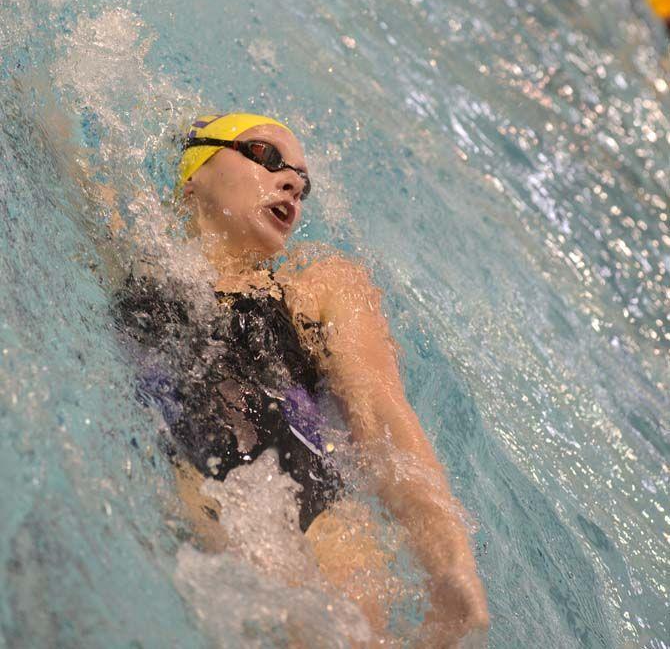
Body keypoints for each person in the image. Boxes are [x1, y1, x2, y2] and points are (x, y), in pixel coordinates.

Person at [112, 111, 489, 646]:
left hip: (320, 519)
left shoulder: (318, 285)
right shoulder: (130, 252)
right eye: (266, 157)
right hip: (189, 493)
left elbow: (380, 414)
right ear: (193, 174)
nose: (291, 181)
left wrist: (449, 559)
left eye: (301, 181)